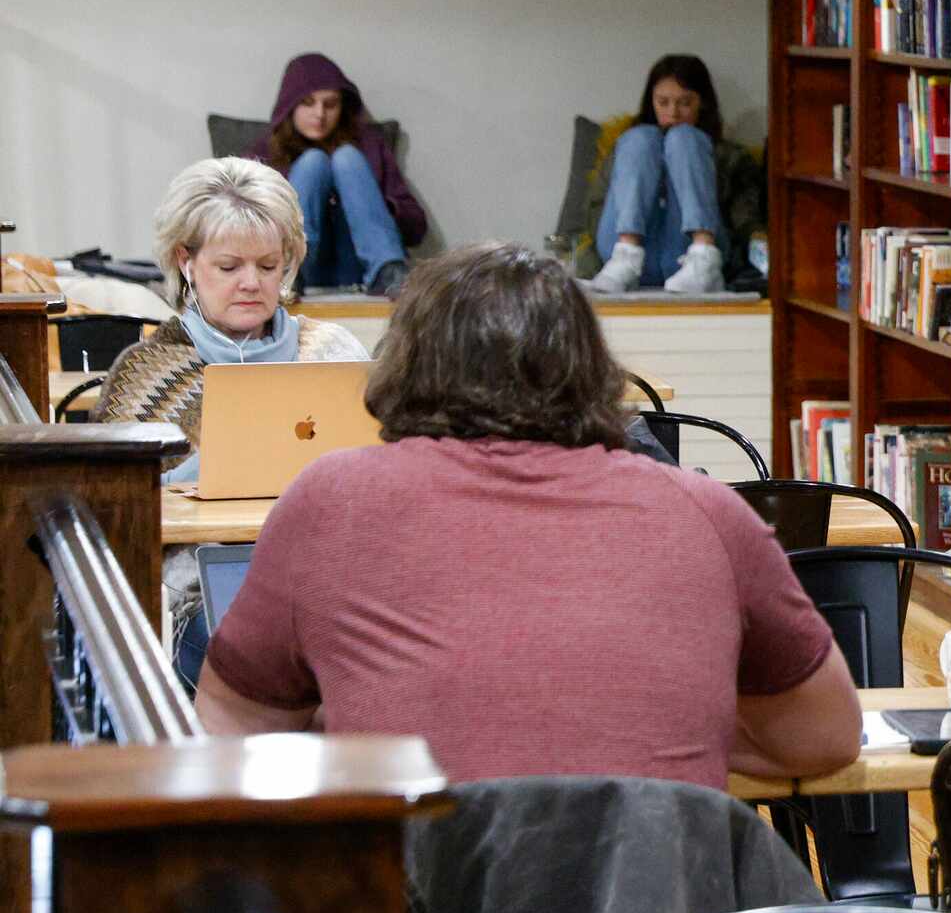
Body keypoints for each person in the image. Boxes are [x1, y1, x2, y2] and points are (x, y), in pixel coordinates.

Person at [195, 244, 862, 788]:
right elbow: (824, 738)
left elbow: (229, 723)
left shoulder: (329, 500)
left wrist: (353, 730)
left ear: (404, 363)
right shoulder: (706, 510)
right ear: (591, 365)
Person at [97, 157, 372, 675]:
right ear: (186, 261)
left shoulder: (335, 352)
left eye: (269, 266)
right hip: (199, 587)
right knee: (246, 643)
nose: (252, 283)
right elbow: (114, 510)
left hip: (331, 575)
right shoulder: (149, 373)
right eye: (229, 267)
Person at [247, 52, 426, 297]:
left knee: (346, 158)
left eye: (330, 104)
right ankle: (287, 272)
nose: (320, 114)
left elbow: (417, 228)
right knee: (313, 162)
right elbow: (236, 224)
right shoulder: (264, 152)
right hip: (296, 271)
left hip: (363, 268)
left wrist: (374, 205)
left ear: (342, 107)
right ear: (291, 105)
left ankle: (389, 271)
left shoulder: (368, 147)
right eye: (308, 103)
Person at [589, 55, 748, 295]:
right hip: (624, 252)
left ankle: (703, 260)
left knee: (685, 137)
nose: (673, 113)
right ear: (651, 102)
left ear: (702, 103)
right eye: (663, 102)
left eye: (684, 103)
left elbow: (746, 220)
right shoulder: (628, 146)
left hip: (688, 250)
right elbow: (596, 208)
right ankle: (626, 257)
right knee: (640, 138)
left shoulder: (728, 155)